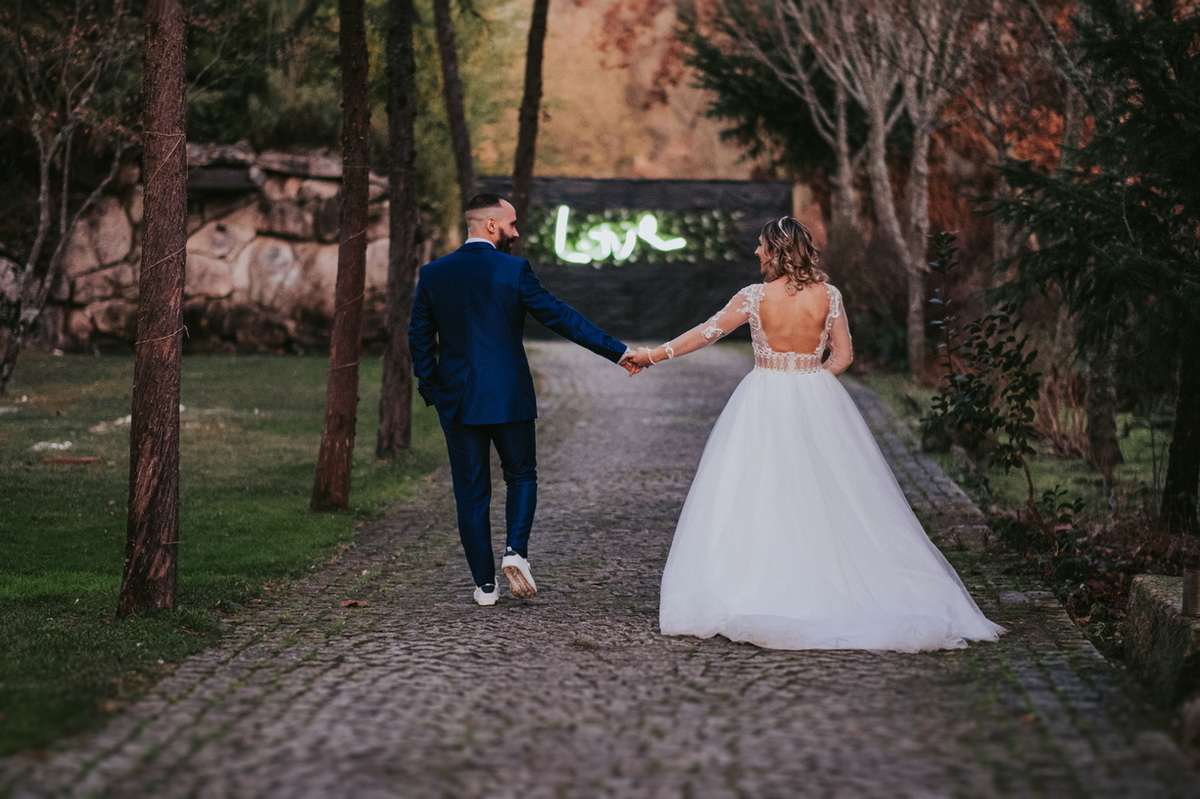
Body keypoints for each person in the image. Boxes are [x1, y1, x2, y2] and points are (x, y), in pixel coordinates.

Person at [628, 216, 1004, 651]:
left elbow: (705, 334)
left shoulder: (754, 297)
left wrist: (651, 356)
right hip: (817, 395)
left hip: (764, 397)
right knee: (827, 489)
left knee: (756, 488)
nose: (756, 251)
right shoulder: (830, 295)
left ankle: (761, 577)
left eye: (761, 244)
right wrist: (811, 385)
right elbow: (843, 356)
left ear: (777, 250)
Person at [410, 193, 637, 606]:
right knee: (521, 475)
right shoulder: (513, 270)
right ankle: (515, 551)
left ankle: (484, 585)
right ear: (491, 225)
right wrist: (618, 352)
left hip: (457, 400)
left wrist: (433, 390)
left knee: (470, 491)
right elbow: (561, 316)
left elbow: (420, 338)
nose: (515, 233)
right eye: (511, 224)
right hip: (509, 395)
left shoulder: (433, 274)